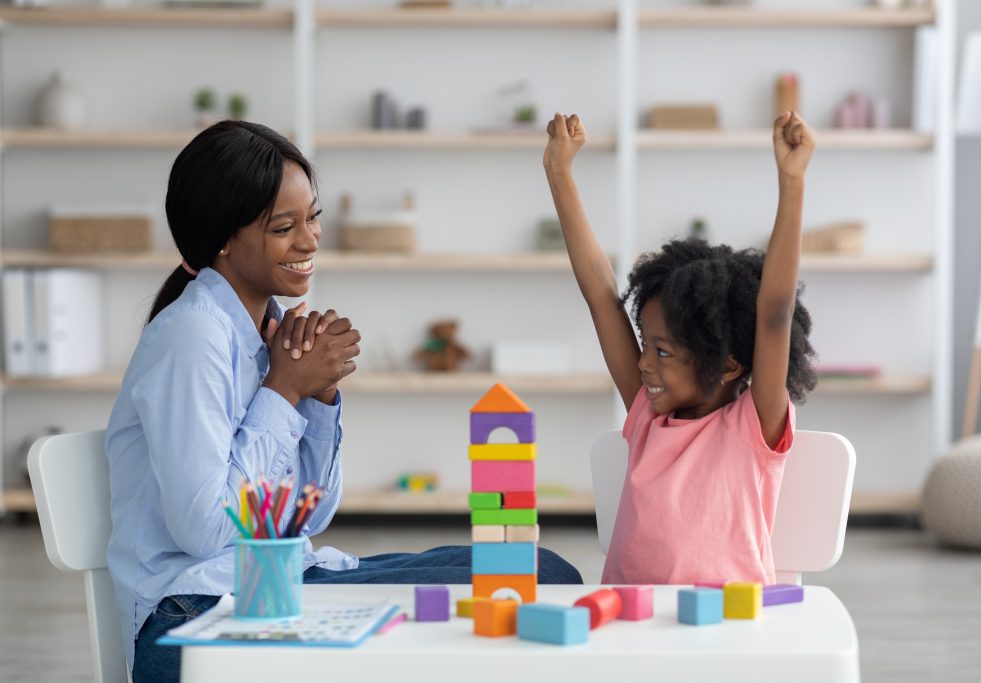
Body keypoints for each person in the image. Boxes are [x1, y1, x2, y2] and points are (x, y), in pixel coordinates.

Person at [107, 120, 581, 683]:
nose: (309, 240)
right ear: (223, 240)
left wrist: (318, 397)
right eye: (284, 227)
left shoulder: (270, 332)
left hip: (270, 578)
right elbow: (202, 529)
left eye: (313, 218)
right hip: (194, 617)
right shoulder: (193, 336)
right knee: (538, 589)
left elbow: (312, 512)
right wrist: (284, 391)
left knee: (542, 570)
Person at [543, 111, 818, 586]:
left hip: (722, 634)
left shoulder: (751, 425)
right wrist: (559, 173)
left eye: (664, 353)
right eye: (646, 345)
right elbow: (601, 297)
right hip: (632, 631)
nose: (643, 363)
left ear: (729, 365)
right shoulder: (648, 418)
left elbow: (774, 313)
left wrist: (791, 181)